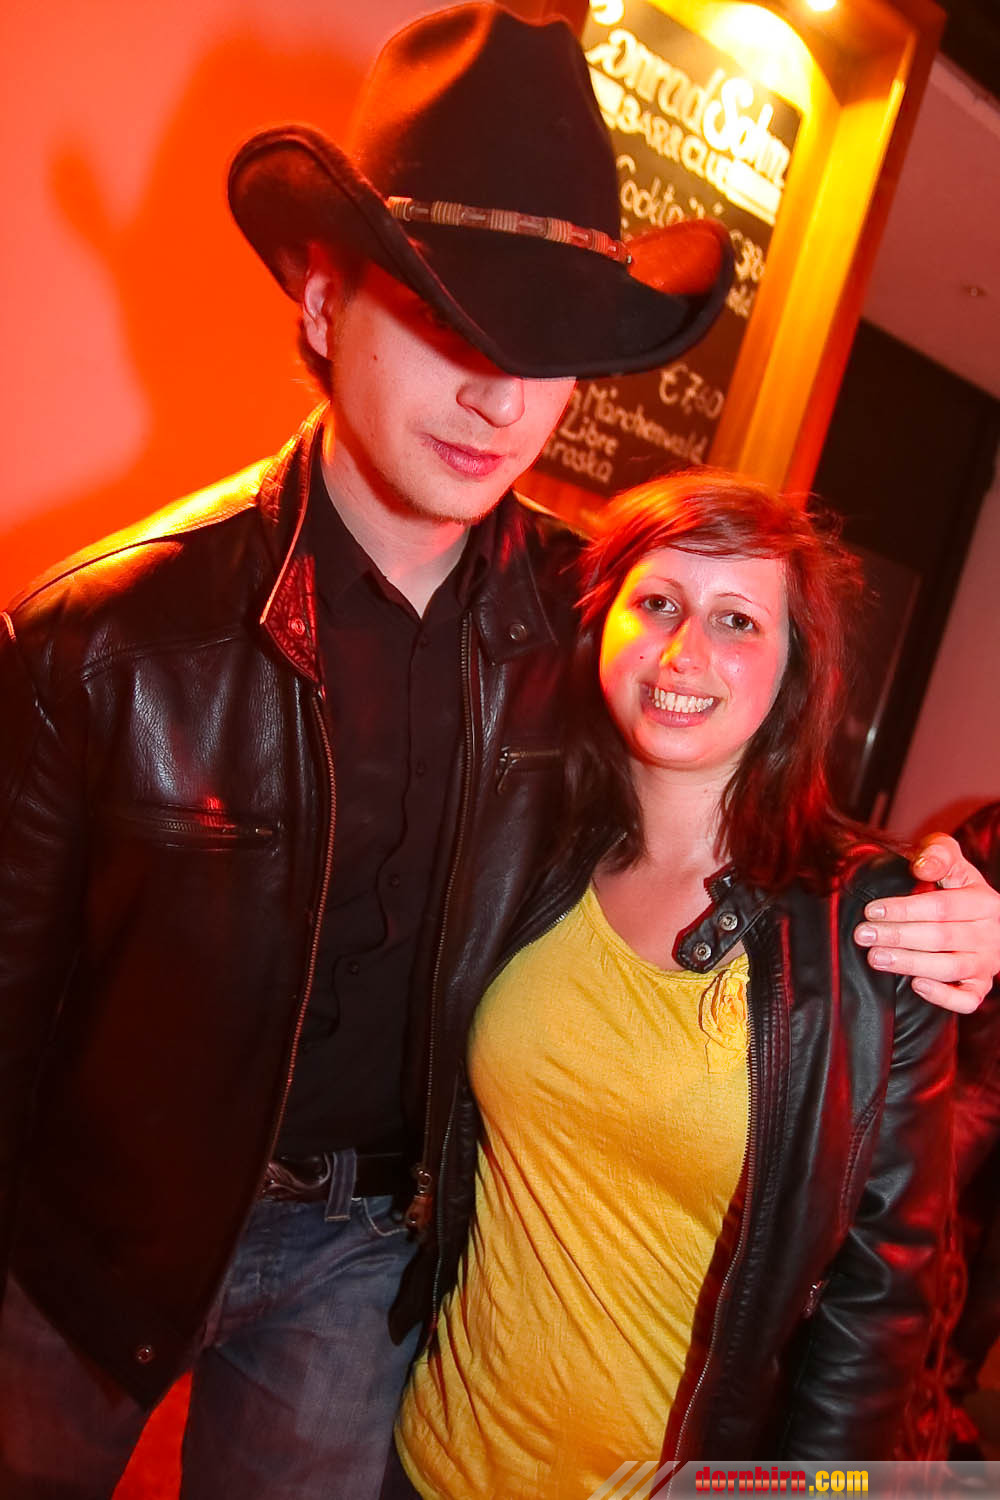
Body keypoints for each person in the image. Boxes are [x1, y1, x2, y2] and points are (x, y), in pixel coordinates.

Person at [0, 7, 994, 1499]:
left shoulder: (591, 626)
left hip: (367, 1257)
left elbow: (737, 791)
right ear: (323, 306)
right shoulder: (105, 634)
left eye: (545, 350)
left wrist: (934, 911)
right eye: (448, 325)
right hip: (93, 1219)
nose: (499, 397)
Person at [392, 471, 956, 1495]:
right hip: (432, 1455)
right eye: (656, 603)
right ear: (602, 626)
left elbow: (878, 1308)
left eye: (737, 620)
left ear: (793, 669)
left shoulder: (869, 927)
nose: (684, 651)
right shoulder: (532, 848)